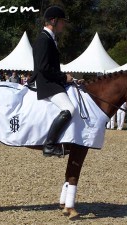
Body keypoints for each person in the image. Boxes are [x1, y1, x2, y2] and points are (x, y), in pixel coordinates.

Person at [27, 5, 74, 157]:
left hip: (51, 80)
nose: (64, 24)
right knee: (69, 109)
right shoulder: (43, 40)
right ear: (53, 21)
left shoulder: (50, 39)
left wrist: (68, 78)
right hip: (45, 83)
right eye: (62, 21)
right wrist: (63, 77)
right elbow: (43, 68)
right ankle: (49, 145)